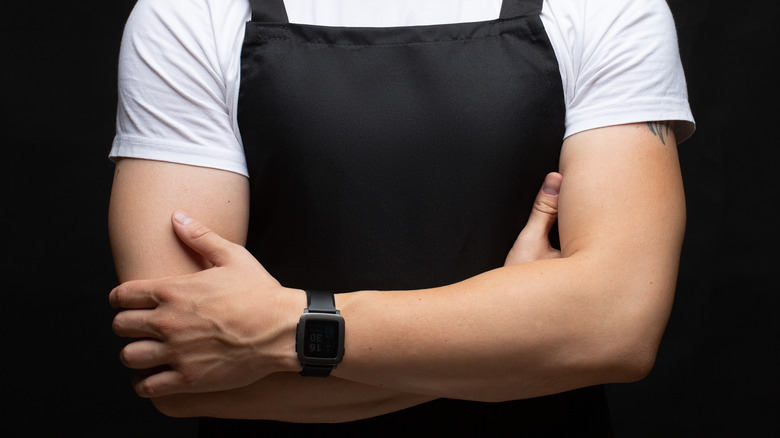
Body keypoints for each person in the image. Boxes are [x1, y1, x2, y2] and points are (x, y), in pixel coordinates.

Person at [108, 0, 695, 435]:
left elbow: (617, 328)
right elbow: (180, 364)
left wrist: (281, 329)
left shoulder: (608, 8)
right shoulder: (188, 14)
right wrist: (520, 339)